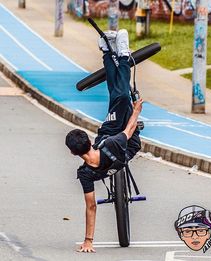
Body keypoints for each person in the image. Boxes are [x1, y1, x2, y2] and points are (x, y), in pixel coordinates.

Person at [65, 29, 143, 253]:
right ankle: (122, 55)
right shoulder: (110, 145)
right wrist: (136, 111)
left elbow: (91, 206)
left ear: (74, 154)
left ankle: (107, 52)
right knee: (122, 97)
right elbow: (128, 131)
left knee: (114, 96)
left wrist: (88, 240)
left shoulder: (85, 174)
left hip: (110, 134)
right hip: (128, 142)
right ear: (89, 140)